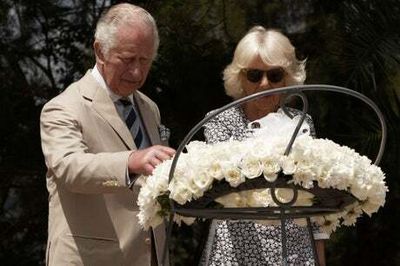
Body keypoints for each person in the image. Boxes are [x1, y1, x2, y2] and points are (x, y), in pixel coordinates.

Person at [40, 3, 175, 266]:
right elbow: (70, 168)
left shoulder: (149, 108)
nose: (136, 72)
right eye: (127, 59)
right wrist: (129, 161)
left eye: (145, 60)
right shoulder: (63, 107)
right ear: (99, 51)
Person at [200, 26, 328, 265]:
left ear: (288, 77)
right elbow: (222, 192)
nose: (265, 84)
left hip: (296, 255)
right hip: (234, 255)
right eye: (254, 75)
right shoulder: (219, 121)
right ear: (240, 78)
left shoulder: (301, 122)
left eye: (275, 75)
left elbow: (314, 203)